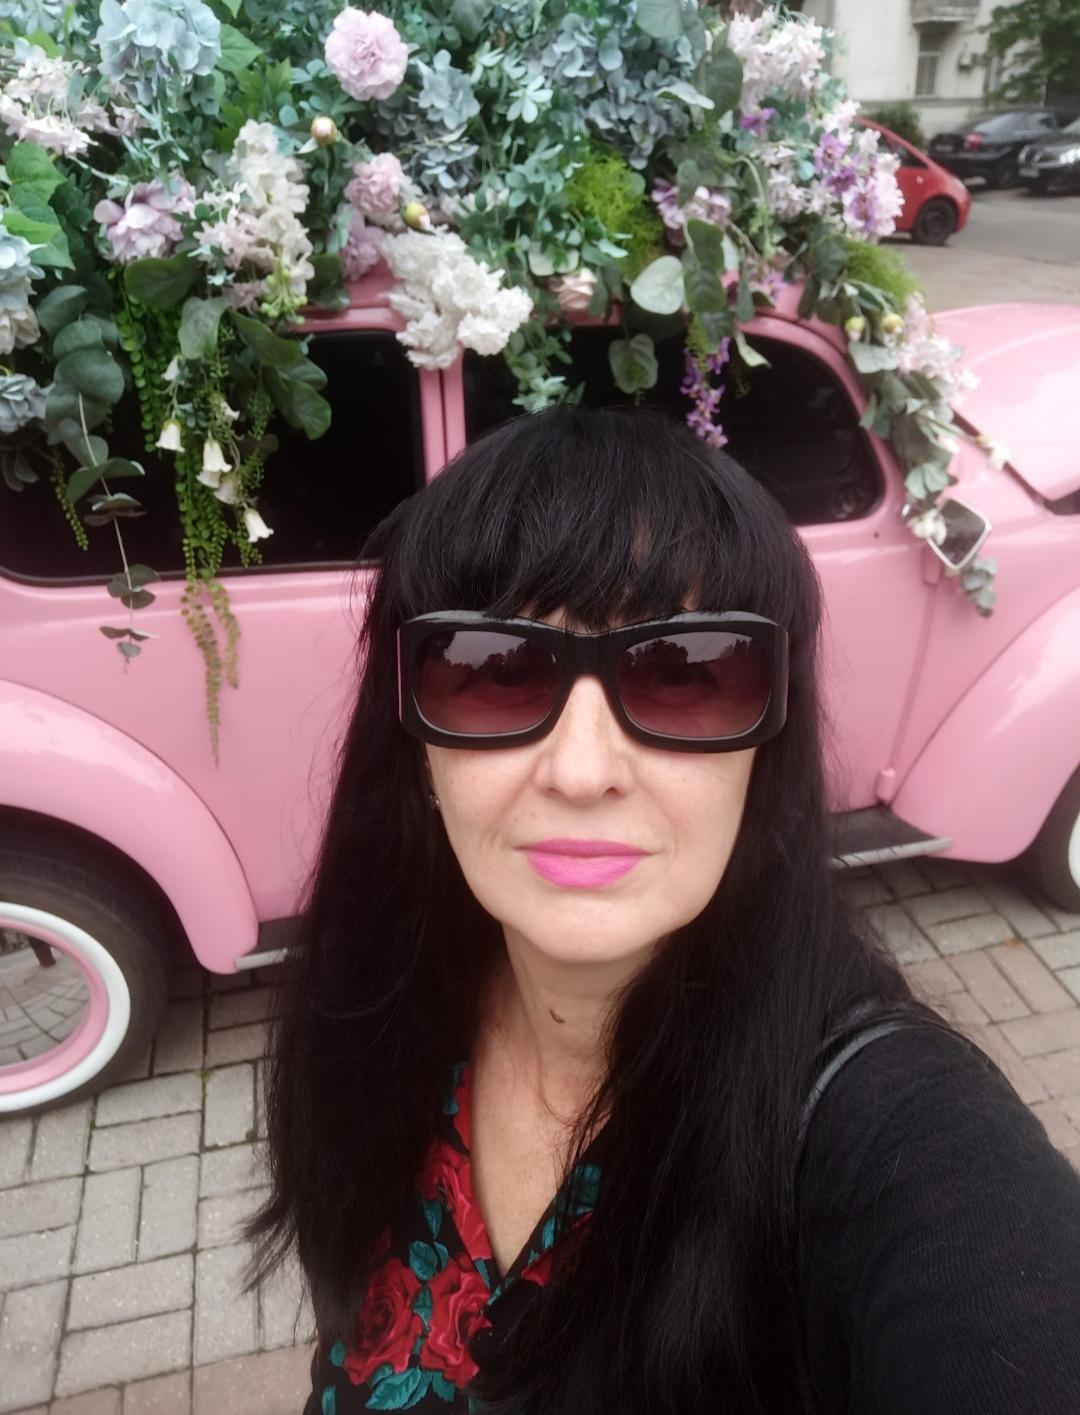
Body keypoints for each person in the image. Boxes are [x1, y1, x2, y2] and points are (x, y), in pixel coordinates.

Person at [243, 405, 1080, 1414]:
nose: (582, 769)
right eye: (494, 672)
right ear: (415, 745)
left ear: (765, 750)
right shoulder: (383, 1012)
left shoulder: (888, 1138)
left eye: (683, 674)